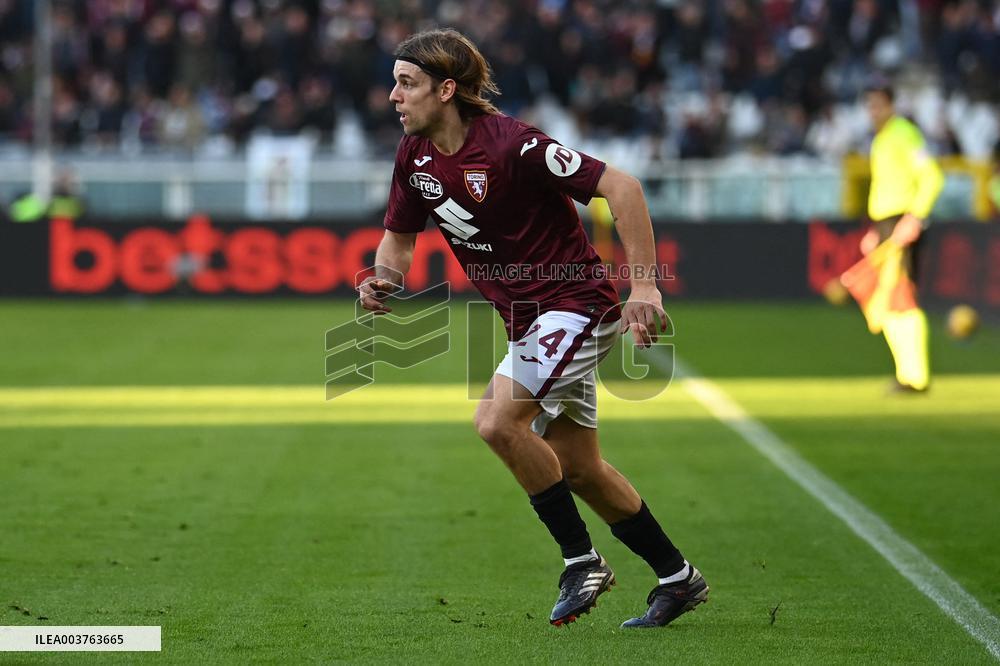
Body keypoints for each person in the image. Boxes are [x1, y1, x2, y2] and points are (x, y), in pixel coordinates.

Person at [359, 28, 708, 628]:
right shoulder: (414, 157)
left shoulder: (513, 145)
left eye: (406, 83)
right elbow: (398, 237)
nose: (394, 96)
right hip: (527, 322)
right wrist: (382, 278)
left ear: (446, 90)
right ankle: (679, 579)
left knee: (496, 420)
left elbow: (621, 187)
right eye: (395, 82)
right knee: (579, 468)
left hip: (574, 304)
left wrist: (644, 285)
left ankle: (581, 561)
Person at [860, 81, 943, 393]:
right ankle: (905, 373)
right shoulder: (881, 139)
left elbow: (932, 176)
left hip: (901, 221)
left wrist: (915, 217)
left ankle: (916, 377)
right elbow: (886, 185)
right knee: (889, 300)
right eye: (869, 105)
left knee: (903, 297)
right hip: (885, 222)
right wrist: (874, 230)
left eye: (878, 104)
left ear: (891, 105)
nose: (873, 111)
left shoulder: (904, 134)